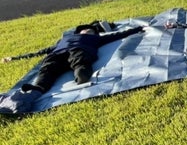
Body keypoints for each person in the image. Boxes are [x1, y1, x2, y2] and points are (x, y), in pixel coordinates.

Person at [2, 21, 146, 93]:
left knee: (80, 61)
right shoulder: (63, 40)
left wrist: (138, 29)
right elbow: (43, 51)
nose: (87, 30)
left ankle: (81, 75)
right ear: (79, 31)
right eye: (85, 29)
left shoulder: (96, 39)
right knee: (48, 68)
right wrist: (15, 58)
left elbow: (118, 35)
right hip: (57, 54)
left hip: (80, 50)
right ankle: (38, 88)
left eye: (90, 30)